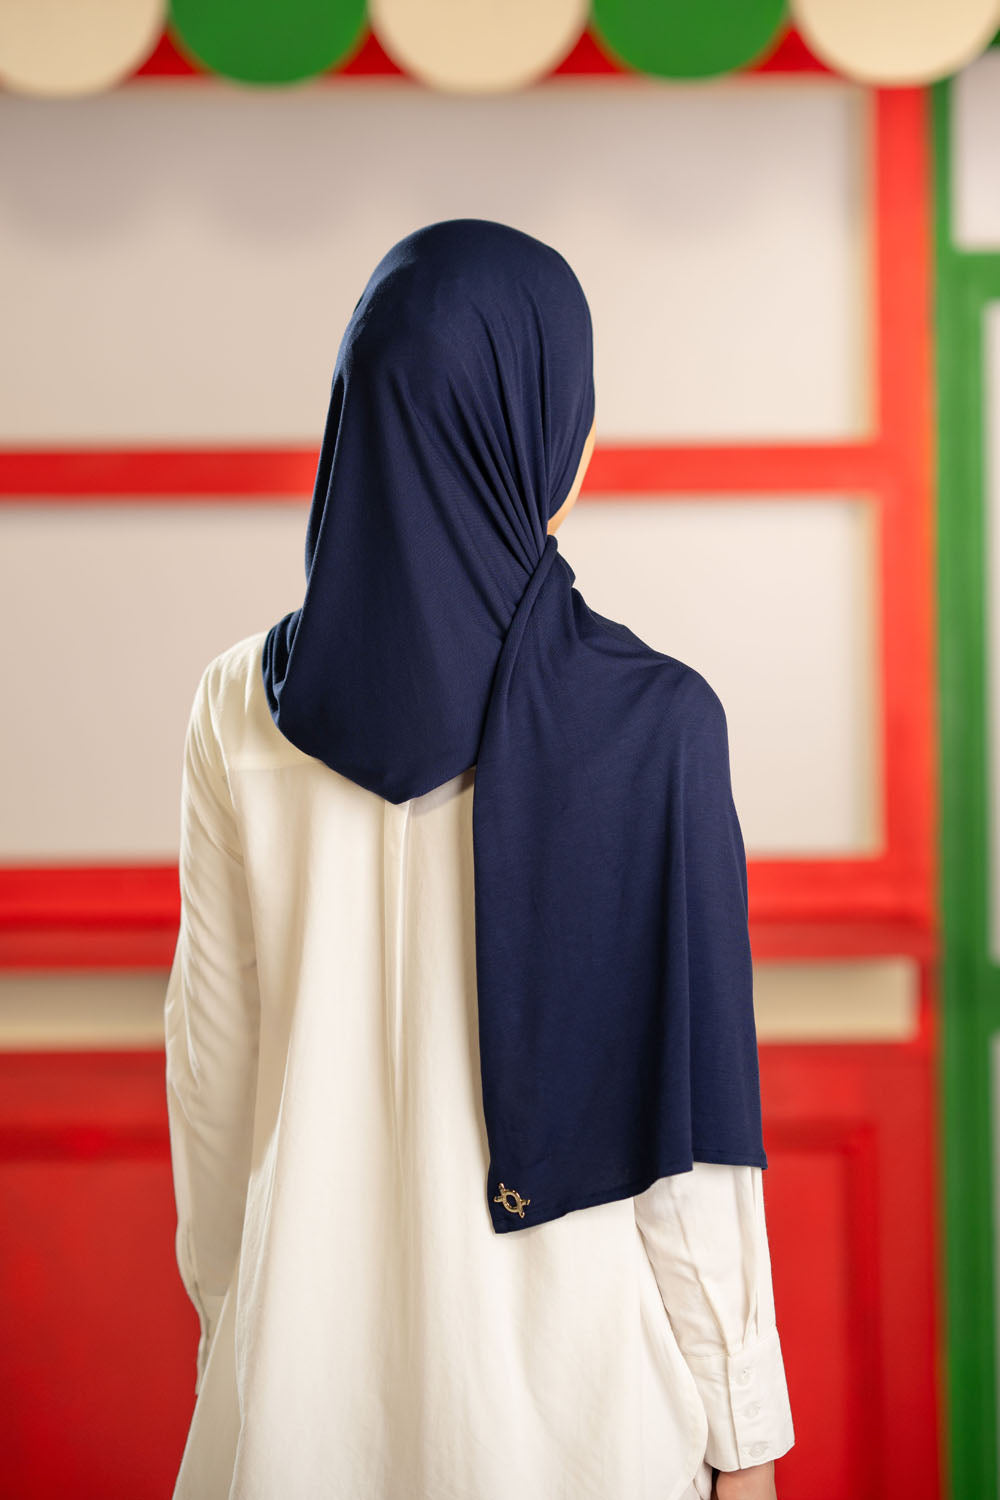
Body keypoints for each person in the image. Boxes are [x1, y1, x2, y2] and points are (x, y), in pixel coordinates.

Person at [164, 219, 795, 1500]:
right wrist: (744, 1437)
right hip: (585, 1422)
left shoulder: (237, 708)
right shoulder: (654, 725)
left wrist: (236, 1332)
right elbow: (687, 1148)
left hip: (296, 1414)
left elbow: (212, 1086)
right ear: (545, 432)